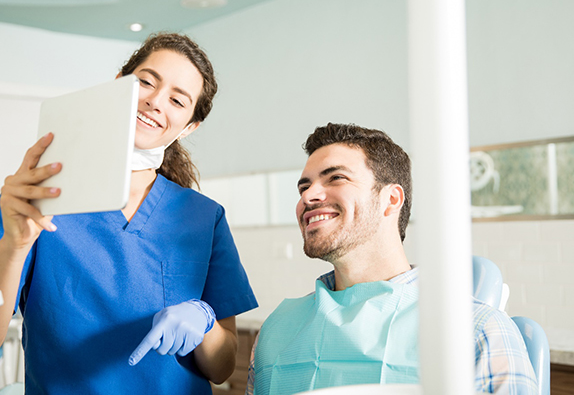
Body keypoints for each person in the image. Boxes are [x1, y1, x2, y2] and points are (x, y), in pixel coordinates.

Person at [0, 32, 257, 394]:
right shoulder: (38, 197)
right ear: (119, 85)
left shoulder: (203, 217)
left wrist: (206, 325)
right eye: (146, 82)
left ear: (188, 128)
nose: (155, 101)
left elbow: (223, 367)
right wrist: (13, 245)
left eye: (177, 100)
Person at [247, 123, 537, 395]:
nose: (309, 195)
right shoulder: (275, 333)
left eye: (336, 177)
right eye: (303, 187)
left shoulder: (477, 330)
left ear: (391, 200)